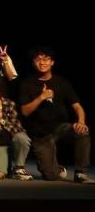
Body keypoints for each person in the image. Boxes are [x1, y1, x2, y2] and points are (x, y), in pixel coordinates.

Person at [18, 47, 90, 183]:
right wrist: (41, 97)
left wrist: (81, 121)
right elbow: (25, 111)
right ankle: (55, 168)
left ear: (52, 62)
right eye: (38, 59)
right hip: (40, 134)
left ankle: (80, 172)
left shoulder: (62, 82)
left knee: (82, 132)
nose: (42, 62)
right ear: (33, 63)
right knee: (51, 176)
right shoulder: (27, 83)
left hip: (60, 128)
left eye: (46, 59)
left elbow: (77, 106)